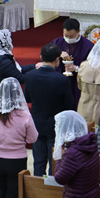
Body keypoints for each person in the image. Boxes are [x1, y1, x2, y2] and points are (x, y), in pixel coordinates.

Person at [0, 77, 38, 198]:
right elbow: (33, 138)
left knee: (1, 191)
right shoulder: (24, 115)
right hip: (17, 159)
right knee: (15, 193)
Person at [24, 43, 74, 177]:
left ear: (41, 57)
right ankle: (52, 186)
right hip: (55, 124)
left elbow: (27, 98)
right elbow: (69, 105)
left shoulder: (29, 76)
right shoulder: (62, 79)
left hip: (37, 123)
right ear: (57, 60)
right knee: (55, 160)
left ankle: (37, 185)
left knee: (38, 161)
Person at [53, 111, 99, 198]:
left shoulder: (72, 154)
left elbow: (60, 178)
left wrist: (59, 157)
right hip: (91, 196)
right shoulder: (89, 144)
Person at [49, 18, 95, 105]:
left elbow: (93, 67)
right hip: (59, 82)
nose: (68, 38)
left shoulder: (88, 46)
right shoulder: (57, 42)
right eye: (65, 35)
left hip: (77, 84)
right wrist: (57, 53)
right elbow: (45, 57)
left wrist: (77, 68)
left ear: (79, 32)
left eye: (71, 36)